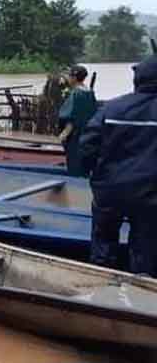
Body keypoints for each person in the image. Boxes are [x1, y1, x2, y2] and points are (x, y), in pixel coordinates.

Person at [79, 53, 157, 277]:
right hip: (150, 196)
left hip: (109, 191)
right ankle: (140, 301)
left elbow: (87, 146)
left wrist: (91, 173)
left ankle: (100, 292)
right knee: (145, 252)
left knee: (103, 246)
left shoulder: (111, 108)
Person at [58, 65, 97, 177]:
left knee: (74, 165)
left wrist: (64, 134)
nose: (68, 78)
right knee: (84, 165)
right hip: (87, 134)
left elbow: (72, 117)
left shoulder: (76, 94)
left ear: (74, 78)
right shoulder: (89, 92)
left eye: (69, 75)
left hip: (75, 135)